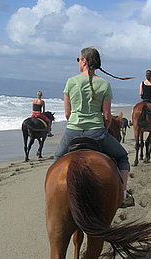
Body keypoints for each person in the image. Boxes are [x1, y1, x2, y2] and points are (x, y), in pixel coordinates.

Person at [53, 47, 134, 208]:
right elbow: (106, 116)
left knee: (57, 160)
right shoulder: (104, 84)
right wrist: (103, 129)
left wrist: (76, 124)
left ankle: (53, 197)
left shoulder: (71, 81)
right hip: (96, 132)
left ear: (83, 61)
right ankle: (123, 195)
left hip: (72, 132)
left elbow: (68, 114)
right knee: (122, 157)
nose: (78, 62)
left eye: (78, 59)